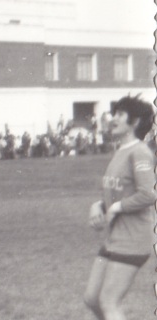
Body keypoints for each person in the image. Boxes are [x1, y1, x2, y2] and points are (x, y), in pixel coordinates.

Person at [83, 95, 156, 320]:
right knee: (92, 299)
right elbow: (116, 192)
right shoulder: (121, 151)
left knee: (108, 302)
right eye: (113, 114)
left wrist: (116, 208)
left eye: (119, 115)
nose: (113, 119)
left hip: (133, 239)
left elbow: (148, 194)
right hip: (115, 237)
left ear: (134, 122)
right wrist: (98, 206)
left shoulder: (140, 152)